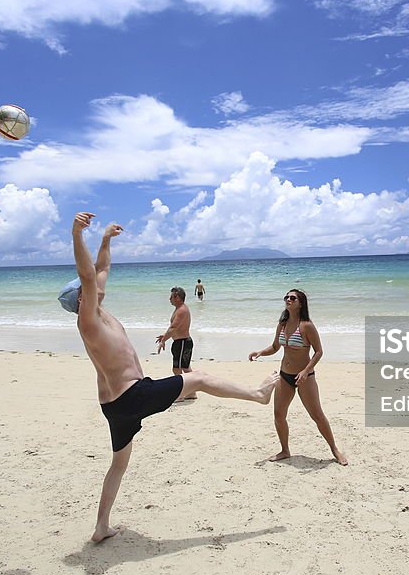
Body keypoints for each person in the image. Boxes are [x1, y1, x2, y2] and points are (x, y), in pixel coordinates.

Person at [60, 212, 278, 543]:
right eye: (86, 289)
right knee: (200, 379)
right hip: (132, 395)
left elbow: (100, 271)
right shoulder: (88, 320)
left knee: (119, 463)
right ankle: (258, 394)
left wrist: (104, 240)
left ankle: (101, 527)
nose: (95, 286)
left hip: (114, 404)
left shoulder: (100, 310)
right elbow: (88, 275)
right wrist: (77, 234)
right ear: (80, 299)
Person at [248, 289, 348, 466]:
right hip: (285, 375)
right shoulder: (283, 323)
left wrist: (305, 371)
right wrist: (260, 352)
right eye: (286, 297)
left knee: (317, 415)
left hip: (305, 377)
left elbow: (318, 352)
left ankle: (334, 449)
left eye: (292, 298)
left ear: (301, 303)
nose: (288, 300)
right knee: (279, 414)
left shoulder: (306, 325)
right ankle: (285, 450)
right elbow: (275, 347)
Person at [156, 287, 196, 400]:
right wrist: (164, 336)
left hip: (182, 342)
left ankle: (181, 394)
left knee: (177, 369)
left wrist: (164, 340)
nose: (169, 299)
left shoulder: (182, 310)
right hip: (182, 342)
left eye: (171, 296)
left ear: (177, 297)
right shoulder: (180, 309)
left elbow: (174, 327)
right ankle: (191, 392)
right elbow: (174, 329)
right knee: (185, 368)